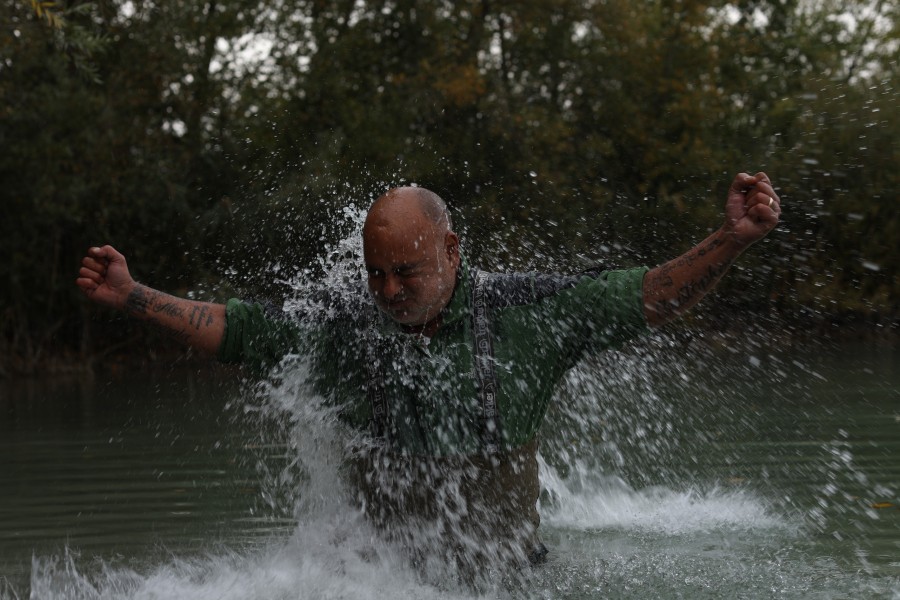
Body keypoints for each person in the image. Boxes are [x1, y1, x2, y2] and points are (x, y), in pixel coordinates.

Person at [76, 172, 781, 577]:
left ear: (450, 249)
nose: (387, 292)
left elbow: (652, 296)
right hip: (377, 580)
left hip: (508, 575)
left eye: (406, 271)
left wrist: (733, 239)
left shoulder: (527, 314)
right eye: (375, 274)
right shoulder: (342, 329)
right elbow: (240, 329)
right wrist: (134, 296)